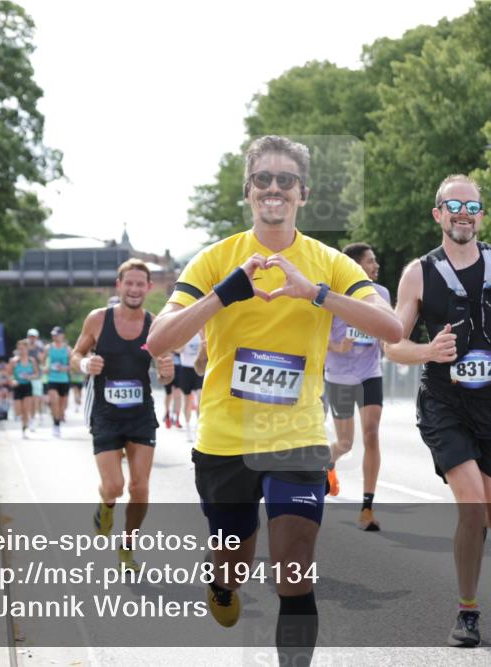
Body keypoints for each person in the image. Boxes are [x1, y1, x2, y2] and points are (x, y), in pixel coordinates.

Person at [147, 135, 401, 666]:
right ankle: (222, 582)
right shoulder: (215, 260)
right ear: (248, 190)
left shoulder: (328, 262)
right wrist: (224, 294)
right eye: (263, 178)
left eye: (286, 180)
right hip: (226, 439)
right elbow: (159, 340)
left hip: (297, 437)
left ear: (303, 193)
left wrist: (316, 293)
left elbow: (391, 328)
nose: (274, 188)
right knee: (234, 559)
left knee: (294, 569)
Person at [385, 174, 491, 648]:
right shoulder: (418, 273)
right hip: (444, 403)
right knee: (472, 506)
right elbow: (393, 345)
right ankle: (468, 611)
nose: (463, 214)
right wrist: (428, 351)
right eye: (454, 206)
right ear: (438, 214)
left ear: (481, 215)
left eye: (472, 207)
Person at [71, 259, 174, 572]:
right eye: (128, 283)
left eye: (140, 284)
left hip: (141, 414)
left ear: (149, 287)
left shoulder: (156, 325)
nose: (134, 289)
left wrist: (166, 371)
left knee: (140, 487)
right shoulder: (98, 319)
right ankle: (106, 505)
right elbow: (76, 354)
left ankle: (128, 547)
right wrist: (85, 364)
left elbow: (165, 373)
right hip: (105, 413)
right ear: (119, 285)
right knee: (114, 486)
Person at [322, 242, 391, 532]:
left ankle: (367, 508)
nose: (376, 265)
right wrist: (336, 345)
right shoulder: (332, 294)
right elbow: (317, 333)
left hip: (369, 373)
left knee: (371, 434)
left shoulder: (381, 294)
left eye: (375, 260)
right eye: (370, 261)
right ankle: (328, 461)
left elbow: (388, 328)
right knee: (345, 443)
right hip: (339, 376)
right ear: (354, 265)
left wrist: (387, 343)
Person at [9, 339, 40, 438]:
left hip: (27, 386)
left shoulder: (32, 361)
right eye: (19, 349)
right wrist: (13, 380)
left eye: (23, 349)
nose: (21, 351)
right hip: (17, 386)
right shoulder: (14, 361)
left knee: (26, 409)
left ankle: (24, 429)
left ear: (27, 349)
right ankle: (24, 422)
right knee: (19, 411)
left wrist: (30, 377)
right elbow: (9, 374)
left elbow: (37, 374)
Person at [177, 332, 204, 442]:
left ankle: (198, 427)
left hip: (198, 369)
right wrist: (183, 344)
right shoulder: (185, 332)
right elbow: (177, 350)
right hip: (186, 369)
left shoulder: (201, 333)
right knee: (186, 400)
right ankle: (188, 427)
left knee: (200, 397)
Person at [46, 326, 72, 438]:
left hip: (64, 379)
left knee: (62, 407)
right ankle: (55, 425)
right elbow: (41, 362)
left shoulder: (68, 349)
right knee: (54, 401)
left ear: (62, 335)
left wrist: (65, 368)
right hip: (52, 378)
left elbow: (72, 365)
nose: (55, 336)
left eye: (57, 334)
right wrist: (45, 368)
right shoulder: (48, 348)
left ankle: (58, 419)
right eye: (54, 335)